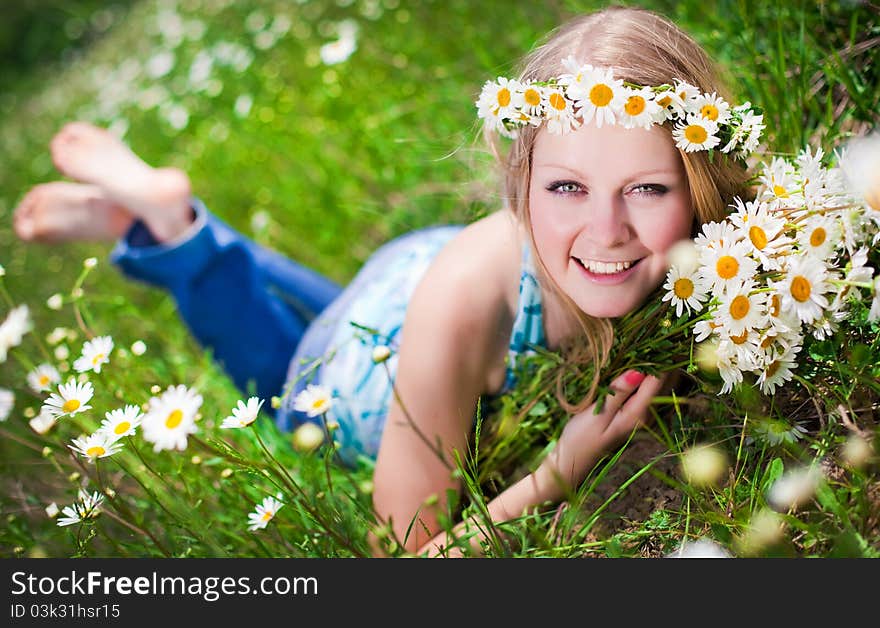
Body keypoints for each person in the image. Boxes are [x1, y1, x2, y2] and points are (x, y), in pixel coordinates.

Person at [13, 6, 756, 556]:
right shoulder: (464, 300)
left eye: (648, 190)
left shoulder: (728, 237)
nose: (606, 230)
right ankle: (171, 234)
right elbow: (403, 551)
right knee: (284, 369)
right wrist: (556, 473)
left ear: (702, 174)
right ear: (519, 179)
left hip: (419, 274)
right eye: (567, 188)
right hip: (370, 357)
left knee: (334, 308)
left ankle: (167, 219)